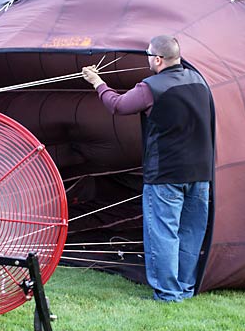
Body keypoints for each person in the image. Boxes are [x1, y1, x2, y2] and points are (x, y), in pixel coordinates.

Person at [81, 35, 215, 302]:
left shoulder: (151, 87)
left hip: (166, 173)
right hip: (201, 172)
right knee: (190, 232)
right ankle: (185, 288)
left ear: (157, 59)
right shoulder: (200, 81)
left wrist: (97, 82)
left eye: (148, 55)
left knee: (164, 233)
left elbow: (117, 105)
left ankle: (168, 293)